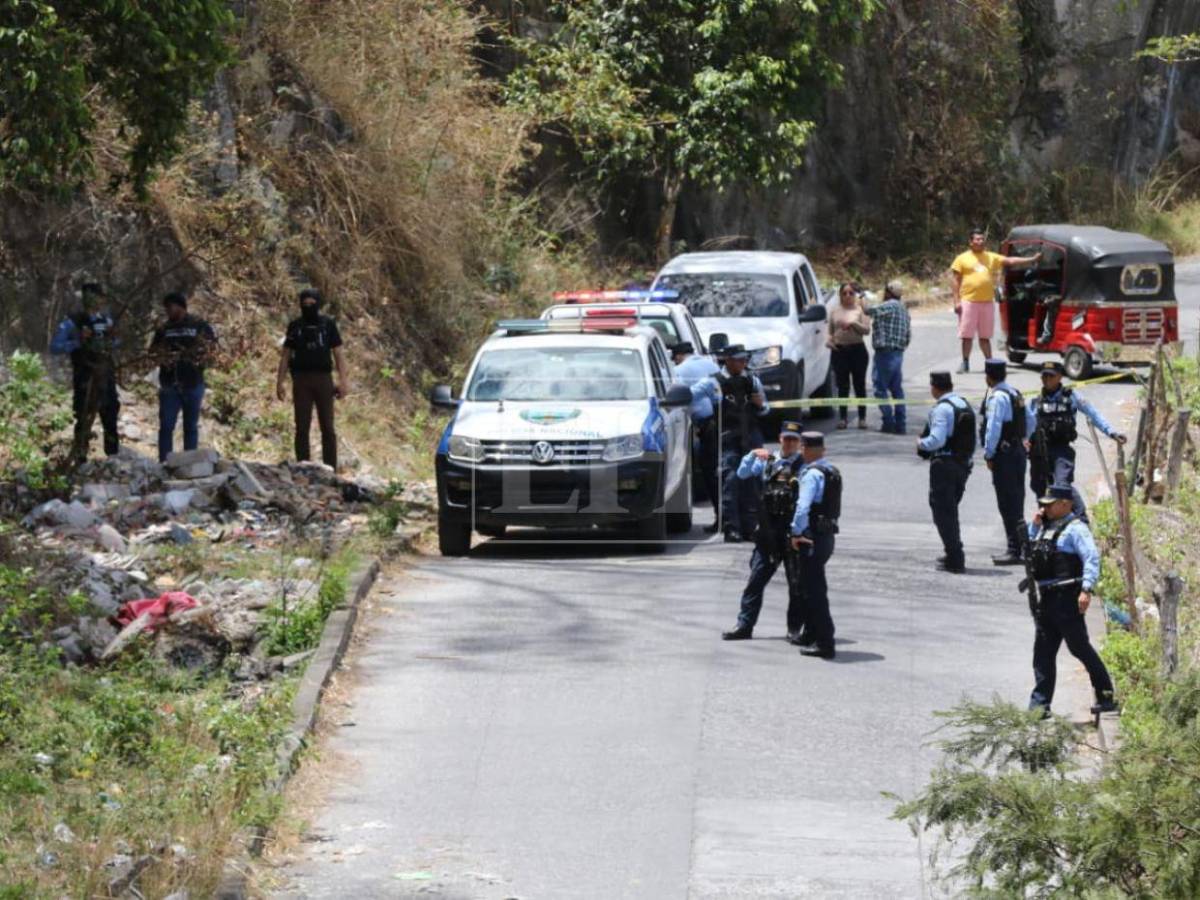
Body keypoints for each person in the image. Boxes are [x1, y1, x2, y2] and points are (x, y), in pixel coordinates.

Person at [1025, 484, 1117, 716]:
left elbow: (1091, 558)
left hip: (1067, 598)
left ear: (1065, 504)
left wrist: (1086, 589)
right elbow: (1026, 551)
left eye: (1049, 504)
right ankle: (1040, 706)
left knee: (1079, 648)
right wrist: (1034, 525)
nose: (1044, 508)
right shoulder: (1044, 528)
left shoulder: (1076, 529)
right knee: (1043, 652)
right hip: (1046, 599)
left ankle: (1106, 695)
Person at [721, 422, 808, 642]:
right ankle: (744, 625)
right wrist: (751, 455)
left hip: (791, 533)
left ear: (799, 443)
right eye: (786, 439)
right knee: (755, 581)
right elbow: (742, 474)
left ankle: (794, 629)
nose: (789, 444)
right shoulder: (768, 462)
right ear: (780, 438)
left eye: (793, 440)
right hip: (768, 531)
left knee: (796, 585)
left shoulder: (804, 467)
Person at [1025, 360, 1126, 519]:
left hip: (1062, 450)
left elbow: (1092, 413)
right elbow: (1027, 426)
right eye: (1044, 376)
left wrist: (1111, 432)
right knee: (1039, 487)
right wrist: (1024, 442)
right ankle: (1047, 523)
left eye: (1050, 376)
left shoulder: (1071, 397)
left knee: (1062, 486)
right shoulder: (1035, 402)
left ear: (1059, 377)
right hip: (1040, 452)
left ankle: (1081, 519)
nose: (1046, 380)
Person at [951, 227, 1041, 373]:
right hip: (968, 302)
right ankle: (965, 362)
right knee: (967, 335)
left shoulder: (990, 257)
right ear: (970, 242)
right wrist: (956, 301)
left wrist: (1031, 259)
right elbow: (955, 280)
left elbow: (1010, 260)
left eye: (982, 239)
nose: (980, 241)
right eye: (977, 239)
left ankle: (989, 363)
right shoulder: (962, 258)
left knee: (985, 336)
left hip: (987, 302)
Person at [277, 288, 348, 469]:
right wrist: (280, 381)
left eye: (312, 303)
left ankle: (330, 467)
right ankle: (303, 465)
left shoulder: (328, 325)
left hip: (324, 379)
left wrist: (343, 381)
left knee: (328, 426)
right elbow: (285, 355)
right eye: (305, 303)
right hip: (301, 379)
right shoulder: (295, 326)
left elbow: (338, 353)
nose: (308, 306)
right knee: (301, 425)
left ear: (318, 304)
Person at [50, 282, 120, 461]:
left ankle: (113, 458)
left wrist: (112, 339)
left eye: (100, 296)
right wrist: (78, 342)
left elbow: (116, 343)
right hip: (84, 374)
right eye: (94, 296)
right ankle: (80, 458)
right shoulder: (72, 321)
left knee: (110, 414)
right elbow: (55, 347)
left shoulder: (107, 320)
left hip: (105, 374)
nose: (98, 300)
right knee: (83, 416)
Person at [709, 345, 770, 542]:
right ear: (727, 360)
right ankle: (731, 528)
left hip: (751, 437)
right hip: (728, 439)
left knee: (753, 484)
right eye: (738, 360)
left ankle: (750, 527)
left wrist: (760, 405)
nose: (743, 363)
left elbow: (765, 410)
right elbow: (698, 405)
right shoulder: (714, 382)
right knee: (730, 482)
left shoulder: (752, 381)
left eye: (745, 360)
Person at [790, 432, 842, 659]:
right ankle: (810, 633)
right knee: (807, 586)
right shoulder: (831, 471)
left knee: (815, 591)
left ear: (806, 449)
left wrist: (795, 532)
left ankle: (825, 642)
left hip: (810, 536)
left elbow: (803, 508)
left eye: (802, 447)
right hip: (826, 535)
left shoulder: (812, 475)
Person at [917, 371, 975, 573]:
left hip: (944, 465)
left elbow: (937, 440)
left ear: (934, 387)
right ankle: (952, 552)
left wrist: (921, 443)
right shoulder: (963, 404)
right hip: (962, 465)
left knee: (943, 512)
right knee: (950, 510)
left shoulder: (942, 409)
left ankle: (955, 556)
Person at [150, 292, 217, 462]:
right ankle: (165, 463)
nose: (167, 311)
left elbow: (212, 349)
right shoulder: (164, 329)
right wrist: (163, 356)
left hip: (193, 383)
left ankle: (189, 463)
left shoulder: (198, 325)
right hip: (169, 384)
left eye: (170, 307)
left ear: (180, 306)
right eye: (166, 308)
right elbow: (152, 352)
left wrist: (199, 357)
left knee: (190, 427)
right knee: (166, 426)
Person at [980, 358, 1028, 566]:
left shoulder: (998, 397)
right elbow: (1030, 420)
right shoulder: (1015, 393)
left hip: (1005, 455)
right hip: (1017, 452)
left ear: (988, 377)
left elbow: (993, 428)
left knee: (1007, 503)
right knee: (1017, 502)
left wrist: (989, 454)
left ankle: (1014, 549)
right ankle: (1022, 547)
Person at [672, 341, 721, 530]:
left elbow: (681, 398)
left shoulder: (679, 370)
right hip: (724, 421)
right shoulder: (711, 364)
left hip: (706, 426)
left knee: (710, 473)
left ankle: (721, 518)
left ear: (678, 356)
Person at [864, 280, 912, 434]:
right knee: (897, 389)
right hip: (898, 353)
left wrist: (860, 298)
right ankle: (900, 424)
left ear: (889, 292)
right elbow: (908, 335)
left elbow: (868, 310)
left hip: (885, 353)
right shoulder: (904, 309)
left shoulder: (889, 305)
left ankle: (888, 422)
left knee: (879, 389)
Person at [828, 283, 871, 429]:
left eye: (851, 293)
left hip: (857, 350)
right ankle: (843, 418)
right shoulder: (834, 311)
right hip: (839, 351)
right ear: (840, 295)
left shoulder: (861, 310)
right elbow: (830, 333)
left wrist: (853, 323)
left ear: (855, 295)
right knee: (842, 386)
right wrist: (829, 342)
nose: (847, 296)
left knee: (859, 385)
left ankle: (862, 418)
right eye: (844, 293)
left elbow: (866, 330)